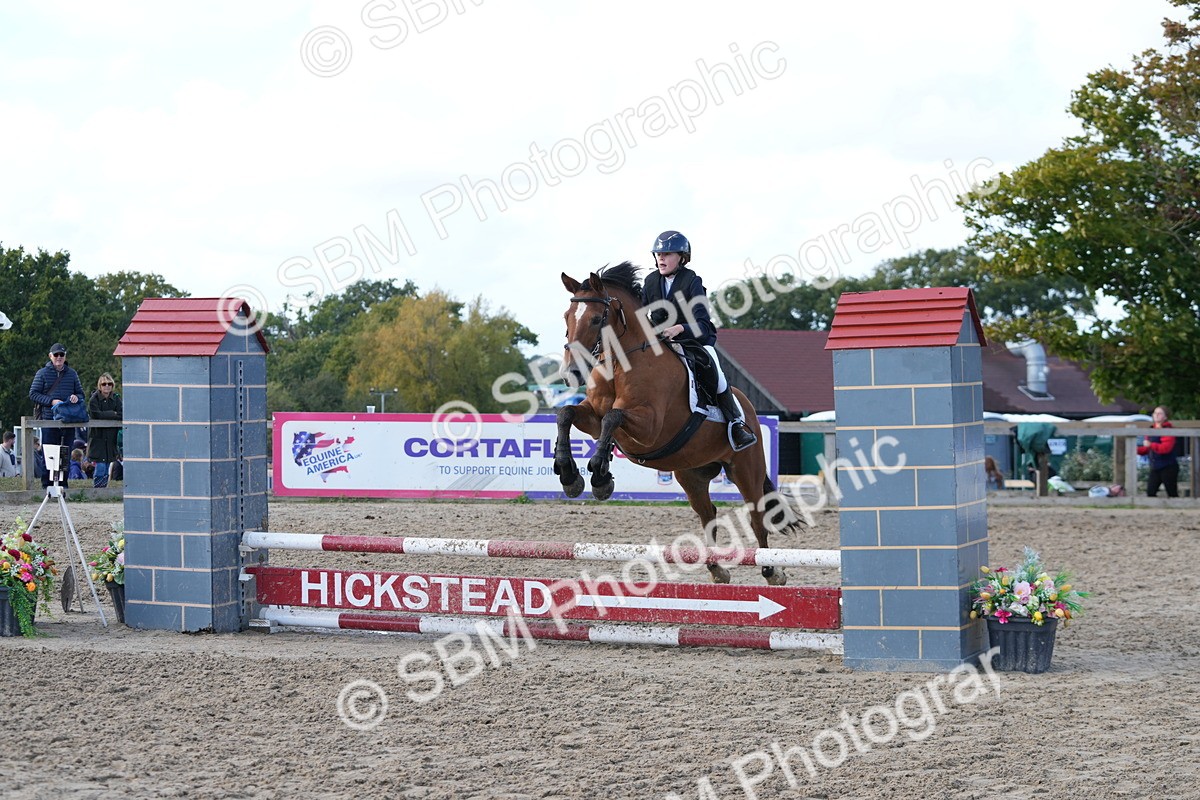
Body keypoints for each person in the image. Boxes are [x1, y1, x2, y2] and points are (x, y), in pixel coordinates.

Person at [641, 230, 757, 451]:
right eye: (658, 254)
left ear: (682, 257)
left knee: (716, 372)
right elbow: (639, 313)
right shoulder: (650, 281)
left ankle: (735, 423)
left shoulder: (692, 281)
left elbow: (703, 325)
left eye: (667, 254)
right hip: (661, 343)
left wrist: (679, 328)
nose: (661, 259)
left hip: (692, 341)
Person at [28, 342, 84, 489]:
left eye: (62, 354)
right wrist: (51, 401)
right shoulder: (42, 373)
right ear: (50, 356)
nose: (59, 357)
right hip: (49, 419)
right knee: (49, 454)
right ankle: (47, 485)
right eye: (56, 354)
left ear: (65, 356)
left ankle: (63, 485)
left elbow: (81, 394)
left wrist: (76, 397)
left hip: (68, 419)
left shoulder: (72, 374)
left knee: (65, 453)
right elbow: (33, 394)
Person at [87, 372, 123, 488]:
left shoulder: (116, 398)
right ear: (100, 386)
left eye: (109, 384)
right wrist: (113, 413)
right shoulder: (94, 399)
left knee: (107, 466)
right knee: (100, 467)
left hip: (111, 438)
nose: (107, 386)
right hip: (98, 437)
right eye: (104, 384)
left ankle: (104, 490)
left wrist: (106, 414)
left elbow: (122, 414)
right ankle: (98, 490)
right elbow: (96, 414)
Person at [1138, 405, 1179, 498]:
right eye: (1155, 413)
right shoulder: (1151, 429)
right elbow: (1147, 449)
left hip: (1168, 466)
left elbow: (1166, 448)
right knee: (1150, 492)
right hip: (1155, 467)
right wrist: (1135, 450)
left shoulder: (1168, 430)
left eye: (1160, 413)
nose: (1156, 415)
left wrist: (1150, 445)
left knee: (1172, 493)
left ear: (1165, 417)